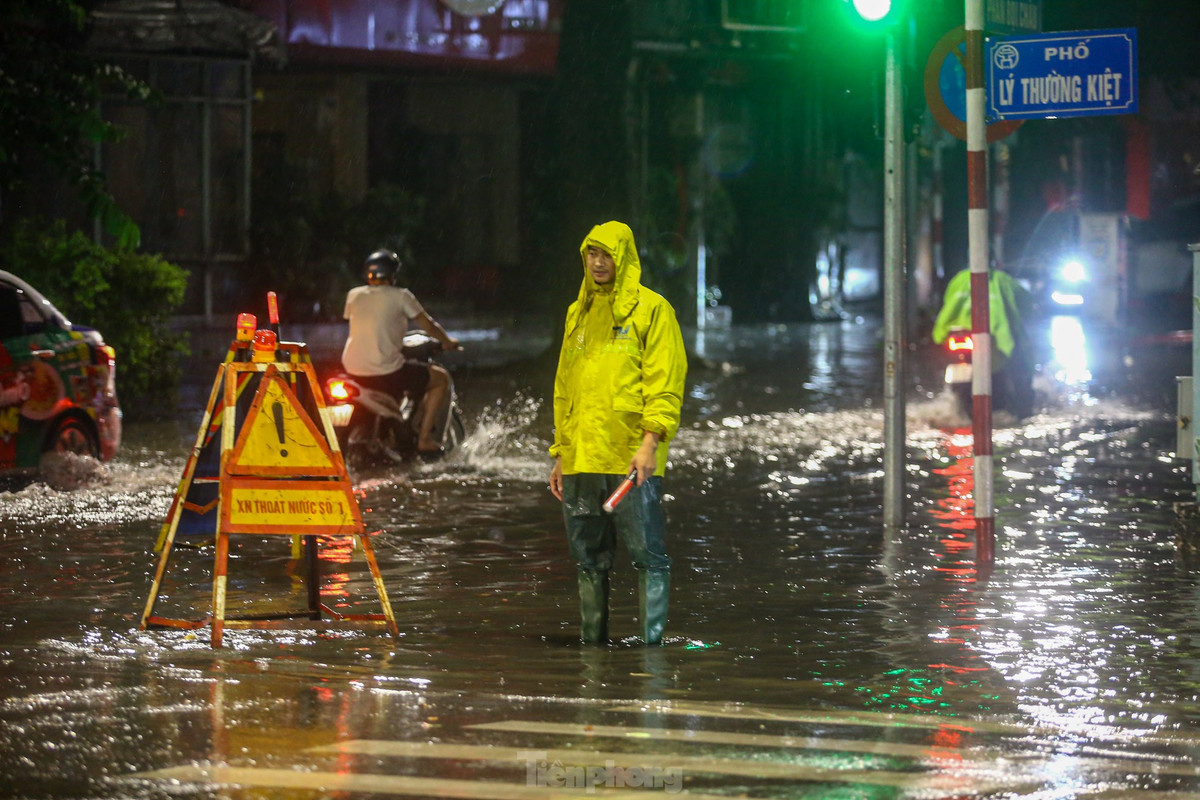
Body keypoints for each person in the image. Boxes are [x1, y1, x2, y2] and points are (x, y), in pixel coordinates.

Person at [548, 221, 688, 645]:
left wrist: (650, 443)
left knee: (647, 554)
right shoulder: (578, 313)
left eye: (606, 254)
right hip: (581, 460)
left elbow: (665, 383)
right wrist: (560, 453)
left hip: (633, 460)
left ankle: (652, 651)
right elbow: (564, 388)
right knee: (588, 559)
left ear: (624, 257)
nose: (598, 262)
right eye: (591, 254)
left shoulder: (653, 310)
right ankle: (594, 650)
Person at [341, 249, 460, 454]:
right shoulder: (401, 296)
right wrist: (447, 342)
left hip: (352, 370)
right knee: (441, 378)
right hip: (385, 372)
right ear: (392, 275)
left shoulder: (354, 295)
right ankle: (424, 440)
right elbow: (429, 326)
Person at [931, 266, 1034, 418]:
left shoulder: (959, 278)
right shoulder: (1002, 279)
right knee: (1020, 362)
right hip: (994, 333)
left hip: (957, 331)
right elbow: (1025, 302)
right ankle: (1022, 409)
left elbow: (947, 300)